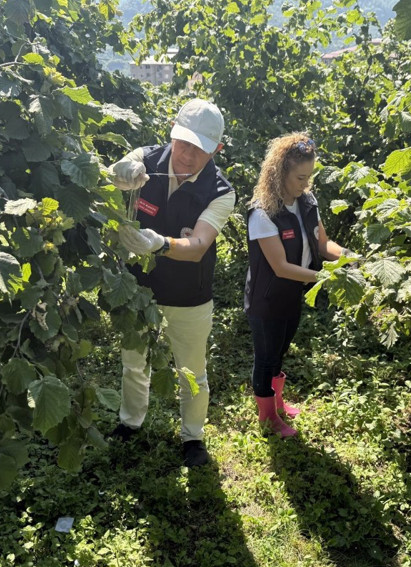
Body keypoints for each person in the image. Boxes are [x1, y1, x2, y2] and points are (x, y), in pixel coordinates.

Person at [110, 98, 235, 467]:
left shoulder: (220, 191)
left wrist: (160, 243)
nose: (187, 154)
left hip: (188, 295)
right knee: (134, 361)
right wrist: (116, 174)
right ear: (172, 132)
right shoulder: (144, 160)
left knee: (192, 370)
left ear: (216, 150)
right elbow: (113, 176)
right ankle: (130, 423)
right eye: (183, 142)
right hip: (137, 289)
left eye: (200, 148)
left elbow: (197, 246)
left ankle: (192, 436)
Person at [243, 133, 345, 437]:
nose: (305, 183)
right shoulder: (263, 212)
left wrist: (352, 259)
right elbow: (281, 267)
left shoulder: (307, 202)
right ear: (280, 171)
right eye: (300, 177)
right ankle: (268, 418)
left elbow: (324, 245)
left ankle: (277, 403)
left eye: (309, 176)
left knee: (281, 350)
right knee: (266, 356)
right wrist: (326, 276)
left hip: (292, 295)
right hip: (266, 300)